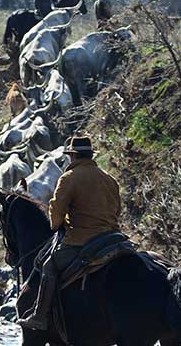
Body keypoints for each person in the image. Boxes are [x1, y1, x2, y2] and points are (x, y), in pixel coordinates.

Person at [18, 136, 122, 331]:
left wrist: (57, 222)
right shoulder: (109, 179)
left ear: (72, 156)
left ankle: (39, 317)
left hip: (82, 240)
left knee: (49, 265)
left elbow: (56, 216)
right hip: (112, 238)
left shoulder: (68, 178)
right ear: (91, 155)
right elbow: (117, 211)